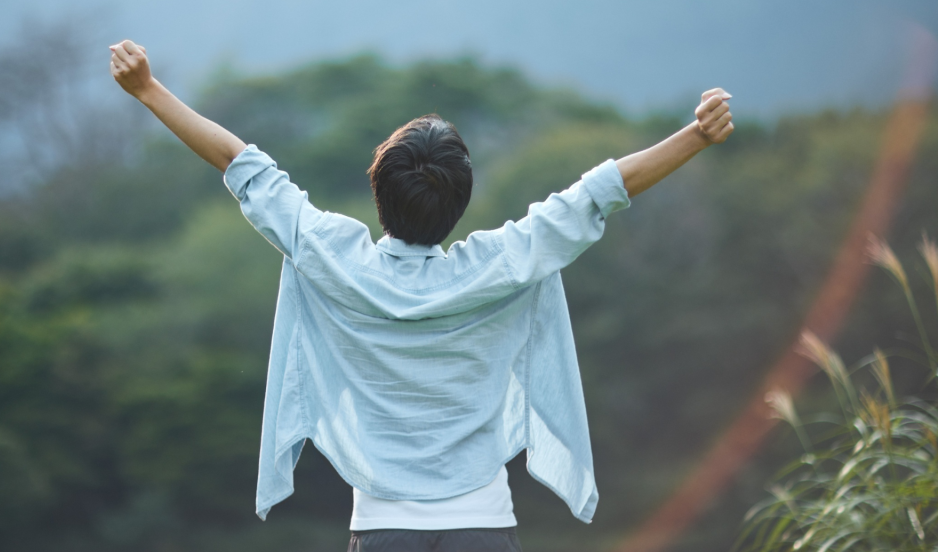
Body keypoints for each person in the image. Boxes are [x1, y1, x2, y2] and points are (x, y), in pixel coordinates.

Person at [110, 39, 733, 552]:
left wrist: (148, 90)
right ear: (459, 202)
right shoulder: (498, 265)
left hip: (381, 529)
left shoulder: (335, 258)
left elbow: (238, 163)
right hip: (484, 528)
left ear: (379, 190)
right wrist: (696, 136)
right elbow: (598, 194)